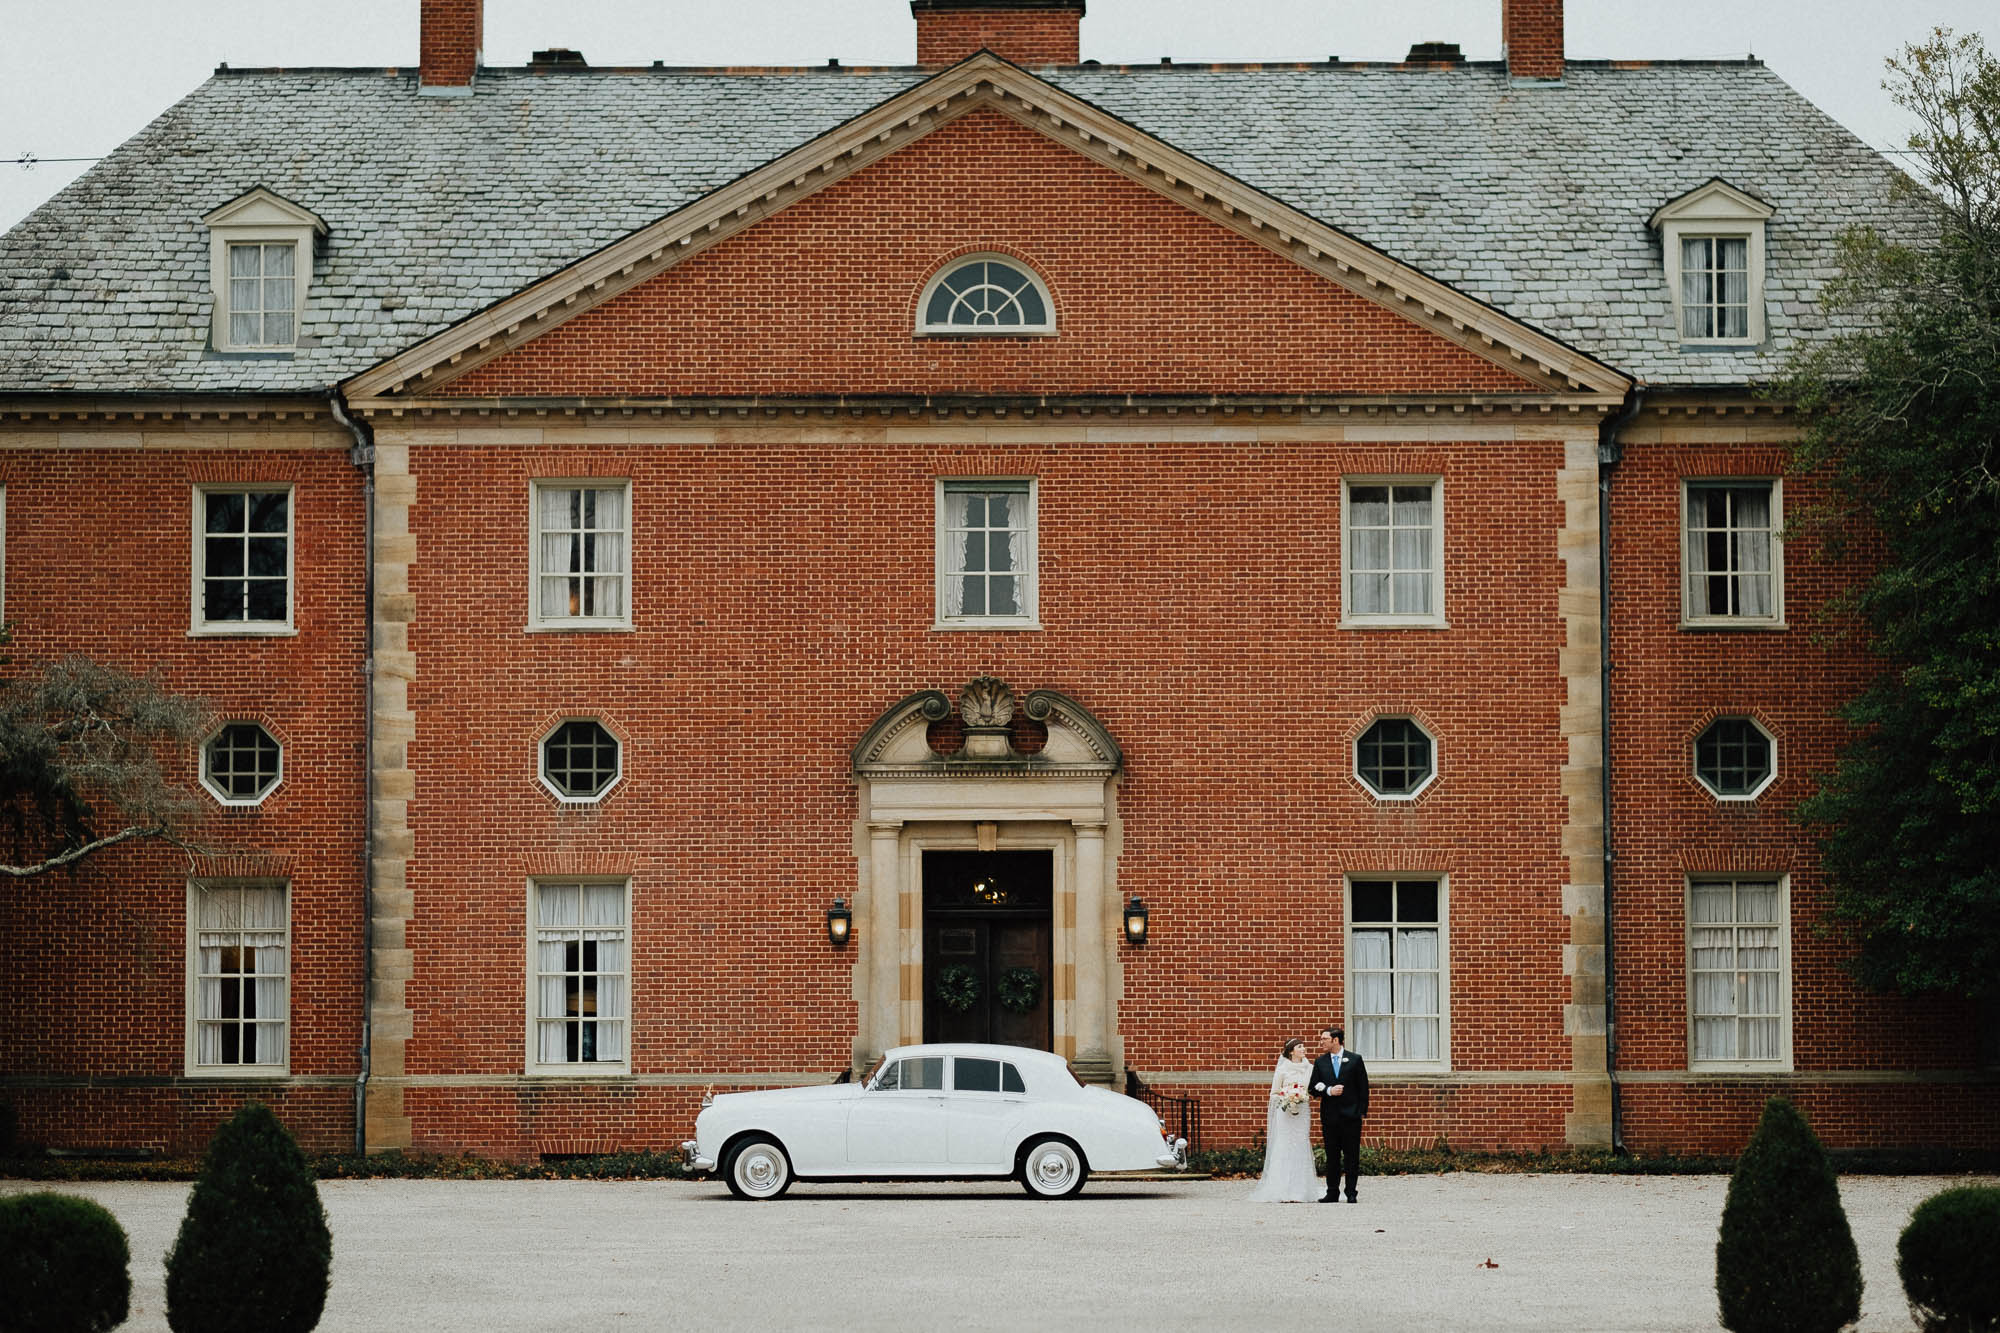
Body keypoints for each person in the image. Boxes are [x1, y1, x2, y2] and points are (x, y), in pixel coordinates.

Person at [1246, 1037, 1317, 1202]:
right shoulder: (1282, 1070)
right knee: (1285, 1145)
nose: (1303, 1049)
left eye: (1303, 1046)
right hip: (1285, 1113)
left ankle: (1301, 1190)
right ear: (1292, 1051)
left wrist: (1301, 1097)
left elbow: (1312, 1089)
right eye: (1300, 1047)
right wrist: (1287, 1098)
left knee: (1300, 1144)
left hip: (1302, 1112)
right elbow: (1274, 1094)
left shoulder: (1310, 1068)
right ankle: (1282, 1189)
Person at [1310, 1025, 1369, 1203]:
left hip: (1351, 1117)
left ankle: (1351, 1192)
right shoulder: (1320, 1062)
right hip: (1330, 1117)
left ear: (1335, 1040)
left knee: (1352, 1156)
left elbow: (1363, 1088)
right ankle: (1332, 1192)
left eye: (1324, 1039)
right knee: (1332, 1156)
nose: (1321, 1042)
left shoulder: (1355, 1060)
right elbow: (1313, 1088)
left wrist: (1360, 1112)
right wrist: (1328, 1090)